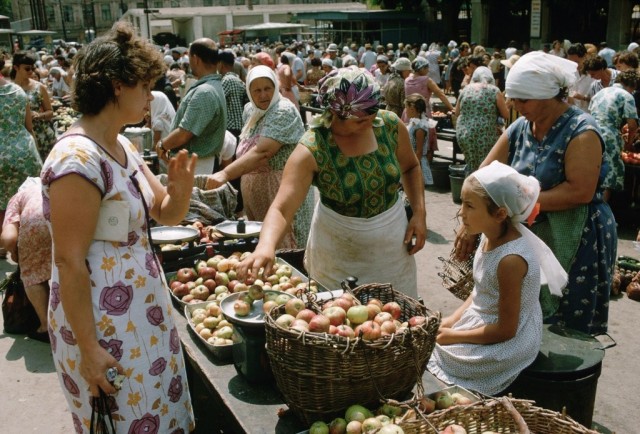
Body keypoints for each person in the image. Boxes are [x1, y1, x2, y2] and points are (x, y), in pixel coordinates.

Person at [40, 22, 196, 433]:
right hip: (103, 328)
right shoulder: (76, 159)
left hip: (141, 316)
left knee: (159, 417)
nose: (150, 97)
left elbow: (165, 213)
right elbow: (70, 262)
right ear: (115, 86)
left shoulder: (122, 144)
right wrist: (89, 351)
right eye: (144, 86)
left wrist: (180, 189)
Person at [458, 51, 617, 335]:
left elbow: (580, 192)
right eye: (513, 98)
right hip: (531, 231)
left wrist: (516, 203)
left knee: (567, 325)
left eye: (523, 99)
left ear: (548, 95)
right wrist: (469, 221)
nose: (514, 105)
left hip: (578, 235)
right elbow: (483, 174)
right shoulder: (520, 127)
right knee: (522, 315)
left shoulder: (582, 131)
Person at [235, 67, 427, 298]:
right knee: (338, 317)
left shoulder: (389, 125)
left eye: (372, 116)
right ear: (335, 113)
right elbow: (282, 208)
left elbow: (411, 166)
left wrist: (419, 213)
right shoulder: (312, 148)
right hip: (337, 251)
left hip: (391, 248)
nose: (369, 125)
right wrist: (266, 245)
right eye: (359, 121)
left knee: (396, 313)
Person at [428, 161, 566, 396]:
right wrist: (450, 322)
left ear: (500, 213)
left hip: (511, 338)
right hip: (486, 319)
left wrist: (453, 335)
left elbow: (506, 330)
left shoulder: (510, 260)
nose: (462, 212)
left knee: (438, 354)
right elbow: (478, 293)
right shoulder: (487, 235)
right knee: (431, 341)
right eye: (463, 202)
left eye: (470, 206)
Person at [205, 65, 312, 249]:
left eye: (267, 89)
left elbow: (263, 152)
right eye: (257, 90)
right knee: (263, 246)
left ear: (275, 88)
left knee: (285, 247)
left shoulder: (283, 110)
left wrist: (225, 174)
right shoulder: (250, 111)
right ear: (249, 92)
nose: (263, 95)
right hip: (257, 198)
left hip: (280, 193)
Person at [156, 38, 227, 175]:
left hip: (196, 166)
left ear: (195, 59)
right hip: (197, 163)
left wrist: (162, 145)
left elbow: (184, 133)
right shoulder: (212, 86)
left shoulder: (205, 92)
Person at [1, 178, 52, 342]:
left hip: (35, 227)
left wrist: (15, 252)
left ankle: (45, 327)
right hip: (62, 220)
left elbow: (9, 238)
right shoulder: (53, 187)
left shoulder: (18, 197)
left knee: (33, 275)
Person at [0, 58, 41, 258]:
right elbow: (29, 127)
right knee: (26, 201)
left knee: (2, 205)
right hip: (25, 152)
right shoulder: (18, 91)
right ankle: (29, 245)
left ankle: (5, 247)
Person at [588, 70, 639, 202]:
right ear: (632, 86)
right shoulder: (626, 96)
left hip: (590, 132)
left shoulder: (600, 93)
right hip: (608, 136)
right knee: (607, 178)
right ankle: (601, 216)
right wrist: (628, 143)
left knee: (592, 172)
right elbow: (632, 125)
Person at [454, 66, 510, 175]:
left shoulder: (466, 89)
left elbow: (457, 112)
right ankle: (480, 188)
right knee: (485, 166)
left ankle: (469, 186)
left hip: (464, 133)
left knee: (471, 163)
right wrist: (508, 103)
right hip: (485, 133)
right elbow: (506, 114)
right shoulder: (494, 90)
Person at [403, 56, 454, 163]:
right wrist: (451, 108)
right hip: (422, 113)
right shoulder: (427, 80)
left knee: (410, 140)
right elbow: (441, 94)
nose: (428, 70)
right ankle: (426, 167)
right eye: (426, 67)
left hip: (408, 113)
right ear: (421, 68)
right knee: (427, 140)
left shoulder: (407, 79)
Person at [11, 51, 56, 160]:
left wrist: (39, 115)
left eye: (33, 68)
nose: (31, 71)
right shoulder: (9, 89)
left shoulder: (39, 87)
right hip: (20, 136)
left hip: (42, 135)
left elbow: (50, 112)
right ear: (16, 68)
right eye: (27, 68)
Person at [404, 93, 433, 186]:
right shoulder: (414, 123)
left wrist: (412, 167)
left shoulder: (420, 128)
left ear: (412, 109)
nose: (405, 110)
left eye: (406, 107)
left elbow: (419, 151)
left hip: (417, 163)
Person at [566, 43, 594, 112]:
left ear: (585, 56)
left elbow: (599, 98)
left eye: (576, 62)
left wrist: (583, 98)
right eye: (570, 62)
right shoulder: (568, 72)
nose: (574, 65)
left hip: (589, 113)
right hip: (572, 113)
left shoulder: (594, 73)